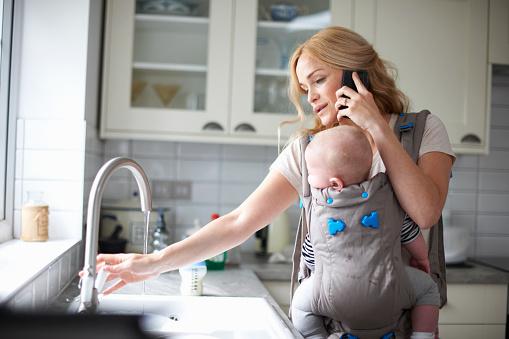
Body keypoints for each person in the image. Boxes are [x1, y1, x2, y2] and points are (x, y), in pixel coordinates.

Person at [95, 26, 455, 337]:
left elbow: (425, 213)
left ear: (355, 75)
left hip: (408, 324)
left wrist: (376, 126)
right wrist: (153, 262)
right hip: (331, 329)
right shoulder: (311, 152)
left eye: (318, 80)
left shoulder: (422, 130)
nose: (310, 96)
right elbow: (239, 222)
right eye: (304, 87)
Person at [290, 124, 439, 339]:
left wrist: (317, 270)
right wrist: (422, 257)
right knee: (427, 290)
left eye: (311, 172)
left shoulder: (320, 210)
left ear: (334, 183)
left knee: (300, 304)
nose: (309, 178)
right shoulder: (387, 197)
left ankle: (316, 336)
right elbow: (408, 232)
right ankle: (421, 336)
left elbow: (312, 253)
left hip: (333, 295)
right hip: (388, 290)